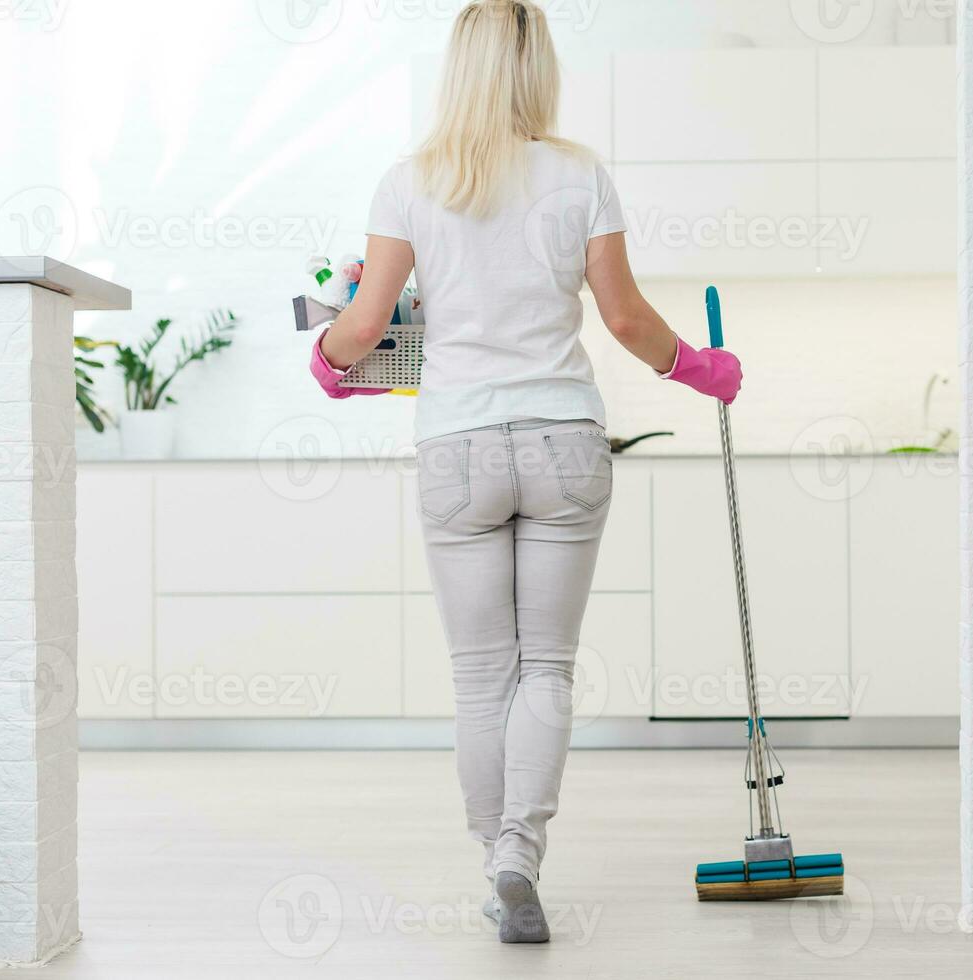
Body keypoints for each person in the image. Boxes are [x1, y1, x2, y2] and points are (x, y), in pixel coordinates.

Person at [308, 0, 741, 944]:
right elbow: (626, 320)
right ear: (536, 67)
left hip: (459, 447)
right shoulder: (580, 173)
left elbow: (367, 324)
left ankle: (491, 854)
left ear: (456, 68)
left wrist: (331, 364)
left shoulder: (410, 182)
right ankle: (518, 852)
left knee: (480, 679)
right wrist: (701, 369)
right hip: (564, 443)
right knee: (546, 668)